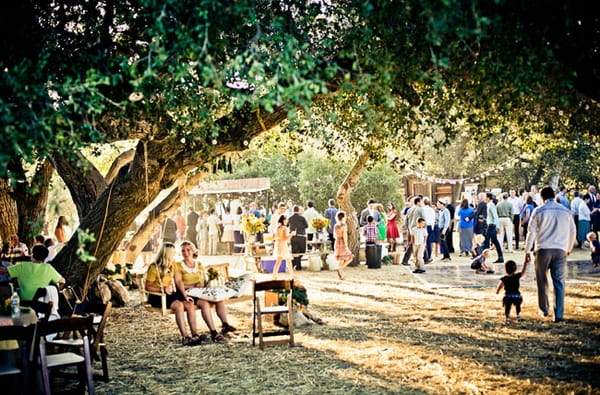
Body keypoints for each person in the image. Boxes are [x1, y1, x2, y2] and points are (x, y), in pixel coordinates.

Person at [524, 186, 576, 323]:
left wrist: (527, 250)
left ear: (541, 197)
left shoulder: (539, 210)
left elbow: (532, 232)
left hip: (543, 248)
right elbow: (572, 231)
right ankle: (558, 313)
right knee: (559, 281)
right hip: (560, 249)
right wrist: (568, 247)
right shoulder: (566, 211)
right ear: (554, 194)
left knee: (542, 281)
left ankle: (544, 309)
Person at [176, 241, 233, 343]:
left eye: (188, 250)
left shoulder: (199, 264)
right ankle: (213, 332)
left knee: (219, 299)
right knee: (204, 303)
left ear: (193, 251)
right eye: (183, 251)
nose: (186, 252)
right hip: (187, 292)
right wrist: (192, 286)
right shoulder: (178, 266)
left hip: (200, 291)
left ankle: (225, 324)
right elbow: (178, 283)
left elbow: (202, 278)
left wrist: (204, 283)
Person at [145, 242, 201, 346]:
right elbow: (148, 287)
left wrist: (185, 296)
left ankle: (195, 334)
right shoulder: (154, 267)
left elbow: (178, 281)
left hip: (169, 293)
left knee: (189, 304)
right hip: (156, 295)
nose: (175, 255)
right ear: (167, 254)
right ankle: (185, 336)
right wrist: (162, 289)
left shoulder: (173, 264)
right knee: (179, 305)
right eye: (173, 253)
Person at [1, 245, 65, 302]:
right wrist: (55, 291)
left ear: (32, 254)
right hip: (42, 305)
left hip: (24, 303)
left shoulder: (23, 266)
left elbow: (3, 271)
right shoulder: (48, 268)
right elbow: (62, 281)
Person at [496, 259, 528, 324]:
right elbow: (523, 272)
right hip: (517, 295)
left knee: (507, 307)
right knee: (517, 305)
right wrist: (525, 263)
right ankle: (518, 315)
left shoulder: (504, 278)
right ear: (515, 269)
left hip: (508, 296)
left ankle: (507, 317)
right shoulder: (516, 276)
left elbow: (500, 285)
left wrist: (498, 291)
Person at [272, 215, 295, 279]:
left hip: (278, 244)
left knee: (279, 261)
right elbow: (285, 238)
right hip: (283, 245)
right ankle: (292, 275)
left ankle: (274, 275)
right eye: (286, 219)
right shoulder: (284, 228)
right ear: (283, 220)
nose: (287, 221)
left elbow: (273, 237)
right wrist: (291, 234)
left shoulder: (277, 228)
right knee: (287, 260)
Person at [333, 211, 354, 280]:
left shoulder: (336, 226)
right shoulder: (344, 225)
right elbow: (345, 236)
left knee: (341, 259)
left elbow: (334, 236)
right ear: (343, 217)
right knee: (350, 257)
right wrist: (346, 244)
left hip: (337, 242)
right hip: (342, 242)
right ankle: (340, 269)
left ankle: (340, 274)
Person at [288, 205, 308, 271]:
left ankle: (295, 263)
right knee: (302, 251)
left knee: (295, 252)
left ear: (293, 210)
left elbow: (287, 225)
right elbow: (306, 226)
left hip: (293, 237)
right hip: (301, 236)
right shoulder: (302, 218)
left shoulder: (290, 218)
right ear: (298, 210)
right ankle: (297, 265)